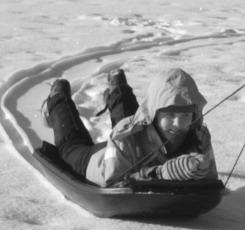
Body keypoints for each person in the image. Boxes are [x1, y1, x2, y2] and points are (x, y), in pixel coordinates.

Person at [42, 67, 218, 187]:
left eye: (186, 116)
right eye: (170, 115)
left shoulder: (197, 135)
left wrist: (200, 167)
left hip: (127, 149)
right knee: (71, 146)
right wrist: (161, 174)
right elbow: (115, 185)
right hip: (97, 162)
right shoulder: (126, 132)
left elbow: (210, 181)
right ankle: (57, 98)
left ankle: (117, 85)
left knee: (130, 124)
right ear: (155, 113)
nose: (178, 124)